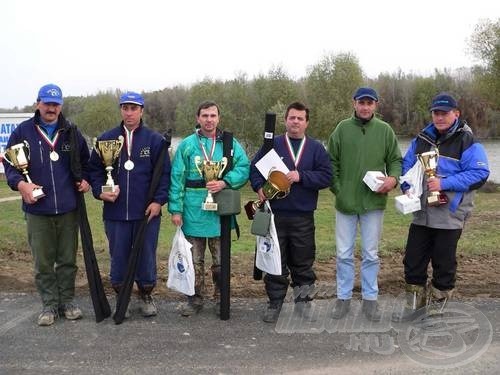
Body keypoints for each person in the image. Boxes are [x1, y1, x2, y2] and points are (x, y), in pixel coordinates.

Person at [392, 93, 489, 322]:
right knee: (413, 261)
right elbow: (407, 164)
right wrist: (407, 186)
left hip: (450, 214)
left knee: (443, 264)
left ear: (456, 114)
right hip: (421, 213)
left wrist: (444, 183)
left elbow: (480, 174)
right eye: (436, 113)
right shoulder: (422, 139)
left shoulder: (468, 142)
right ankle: (414, 309)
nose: (440, 117)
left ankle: (436, 312)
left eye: (444, 113)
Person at [2, 84, 90, 326]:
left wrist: (86, 180)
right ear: (38, 103)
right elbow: (10, 166)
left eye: (56, 104)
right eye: (47, 103)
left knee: (67, 260)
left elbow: (86, 161)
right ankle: (49, 305)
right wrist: (22, 186)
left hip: (68, 208)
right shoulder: (23, 131)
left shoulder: (72, 131)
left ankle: (68, 301)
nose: (51, 108)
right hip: (37, 209)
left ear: (61, 105)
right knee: (43, 261)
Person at [88, 92, 170, 318]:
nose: (129, 112)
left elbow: (164, 174)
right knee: (119, 256)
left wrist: (158, 201)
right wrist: (99, 192)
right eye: (125, 108)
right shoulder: (106, 139)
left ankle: (145, 294)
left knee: (146, 256)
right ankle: (121, 294)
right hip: (115, 213)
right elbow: (94, 171)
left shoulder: (154, 140)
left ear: (142, 111)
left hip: (147, 213)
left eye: (134, 108)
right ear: (121, 110)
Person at [250, 101, 332, 323]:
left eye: (300, 118)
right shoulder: (272, 145)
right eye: (292, 117)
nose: (296, 121)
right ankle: (274, 303)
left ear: (306, 122)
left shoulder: (316, 148)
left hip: (303, 216)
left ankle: (303, 303)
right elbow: (254, 169)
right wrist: (259, 187)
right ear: (285, 120)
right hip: (275, 216)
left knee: (303, 263)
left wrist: (302, 176)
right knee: (275, 261)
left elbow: (326, 176)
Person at [327, 87, 402, 321]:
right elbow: (331, 163)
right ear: (354, 103)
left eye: (370, 103)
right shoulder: (341, 129)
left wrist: (393, 179)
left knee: (371, 254)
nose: (365, 107)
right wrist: (339, 190)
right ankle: (343, 299)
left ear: (376, 105)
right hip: (346, 203)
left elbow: (395, 160)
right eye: (362, 102)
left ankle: (370, 300)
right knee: (344, 254)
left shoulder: (385, 130)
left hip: (374, 202)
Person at [169, 100, 249, 317]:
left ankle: (220, 297)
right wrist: (176, 210)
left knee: (220, 261)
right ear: (198, 118)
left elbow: (244, 167)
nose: (209, 119)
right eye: (205, 115)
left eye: (213, 115)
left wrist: (224, 182)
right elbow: (176, 178)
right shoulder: (186, 145)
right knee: (194, 260)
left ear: (218, 118)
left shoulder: (229, 143)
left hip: (219, 212)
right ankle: (194, 299)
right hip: (193, 211)